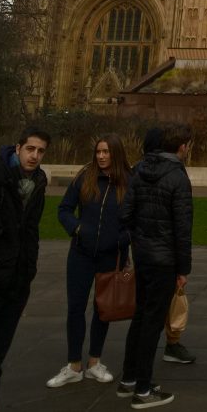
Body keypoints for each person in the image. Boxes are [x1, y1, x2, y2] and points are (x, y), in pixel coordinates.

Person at [0, 126, 51, 412]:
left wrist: (27, 274)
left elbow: (31, 234)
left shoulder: (38, 183)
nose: (34, 155)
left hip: (15, 287)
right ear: (17, 148)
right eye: (30, 149)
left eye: (40, 151)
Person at [47, 134, 131, 388]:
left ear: (116, 153)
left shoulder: (129, 182)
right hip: (81, 254)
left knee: (103, 309)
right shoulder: (85, 177)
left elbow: (136, 221)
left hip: (111, 256)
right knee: (76, 308)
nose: (101, 156)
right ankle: (74, 365)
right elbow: (64, 209)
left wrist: (120, 239)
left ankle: (95, 362)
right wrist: (77, 229)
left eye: (106, 152)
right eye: (98, 152)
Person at [118, 123, 193, 409]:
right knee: (152, 322)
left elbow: (125, 214)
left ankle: (129, 379)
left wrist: (142, 237)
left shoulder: (140, 170)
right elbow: (182, 228)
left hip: (144, 255)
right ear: (182, 147)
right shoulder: (177, 177)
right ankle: (143, 389)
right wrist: (183, 269)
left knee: (140, 316)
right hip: (164, 259)